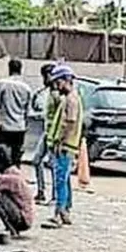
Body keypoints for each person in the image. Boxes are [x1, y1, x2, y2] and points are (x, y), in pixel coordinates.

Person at [44, 63, 83, 227]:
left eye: (58, 82)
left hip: (65, 146)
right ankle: (66, 210)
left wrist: (59, 141)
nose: (57, 86)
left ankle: (59, 214)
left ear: (67, 80)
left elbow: (69, 122)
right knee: (64, 179)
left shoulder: (71, 100)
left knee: (60, 179)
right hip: (67, 145)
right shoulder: (70, 98)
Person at [0, 58, 33, 184]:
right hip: (20, 129)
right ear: (20, 70)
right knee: (15, 160)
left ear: (9, 69)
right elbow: (28, 112)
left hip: (5, 128)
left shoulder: (3, 84)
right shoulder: (26, 88)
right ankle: (15, 185)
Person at [29, 63, 56, 204]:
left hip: (53, 133)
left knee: (52, 164)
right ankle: (41, 192)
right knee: (36, 160)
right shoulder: (47, 92)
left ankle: (55, 196)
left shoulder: (56, 93)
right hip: (47, 131)